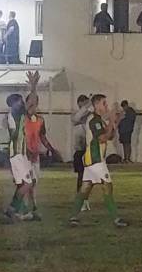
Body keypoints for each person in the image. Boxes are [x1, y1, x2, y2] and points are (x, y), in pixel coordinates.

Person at [67, 94, 128, 227]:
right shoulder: (93, 120)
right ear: (96, 105)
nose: (106, 106)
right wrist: (112, 121)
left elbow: (110, 135)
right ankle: (116, 218)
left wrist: (115, 121)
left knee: (85, 189)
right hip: (95, 159)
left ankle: (73, 217)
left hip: (93, 159)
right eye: (104, 103)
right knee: (107, 186)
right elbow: (102, 138)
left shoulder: (98, 120)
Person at [3, 72, 42, 222]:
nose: (23, 103)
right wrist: (33, 86)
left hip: (20, 152)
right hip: (18, 152)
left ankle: (19, 210)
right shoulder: (14, 111)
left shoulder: (17, 114)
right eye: (20, 101)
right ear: (15, 103)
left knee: (24, 183)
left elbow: (32, 105)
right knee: (28, 183)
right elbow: (31, 103)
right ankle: (12, 208)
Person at [24, 95, 62, 219]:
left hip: (35, 155)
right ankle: (26, 209)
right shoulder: (22, 118)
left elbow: (42, 136)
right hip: (23, 155)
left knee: (34, 182)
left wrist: (51, 149)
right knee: (26, 182)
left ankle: (32, 208)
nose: (34, 106)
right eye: (32, 103)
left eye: (36, 103)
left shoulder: (40, 119)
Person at [71, 94, 93, 210]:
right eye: (83, 103)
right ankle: (81, 200)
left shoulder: (89, 116)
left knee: (89, 177)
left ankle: (85, 199)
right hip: (80, 150)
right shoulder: (76, 114)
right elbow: (76, 119)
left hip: (88, 149)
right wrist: (87, 105)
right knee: (81, 176)